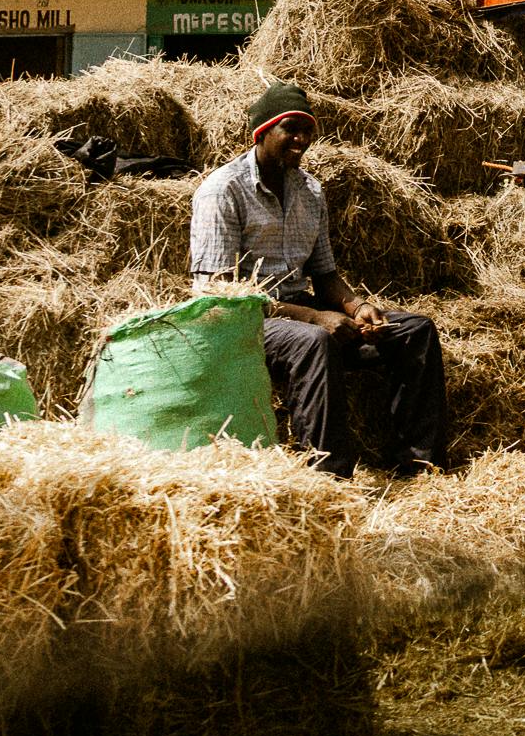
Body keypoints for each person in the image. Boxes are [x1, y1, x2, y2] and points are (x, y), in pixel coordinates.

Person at [190, 82, 450, 476]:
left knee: (415, 330)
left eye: (307, 131)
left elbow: (325, 273)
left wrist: (358, 307)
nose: (301, 139)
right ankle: (328, 475)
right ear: (261, 133)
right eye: (290, 129)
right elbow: (218, 296)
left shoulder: (309, 190)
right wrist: (314, 318)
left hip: (297, 308)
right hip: (244, 321)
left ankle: (419, 462)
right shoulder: (223, 190)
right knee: (314, 341)